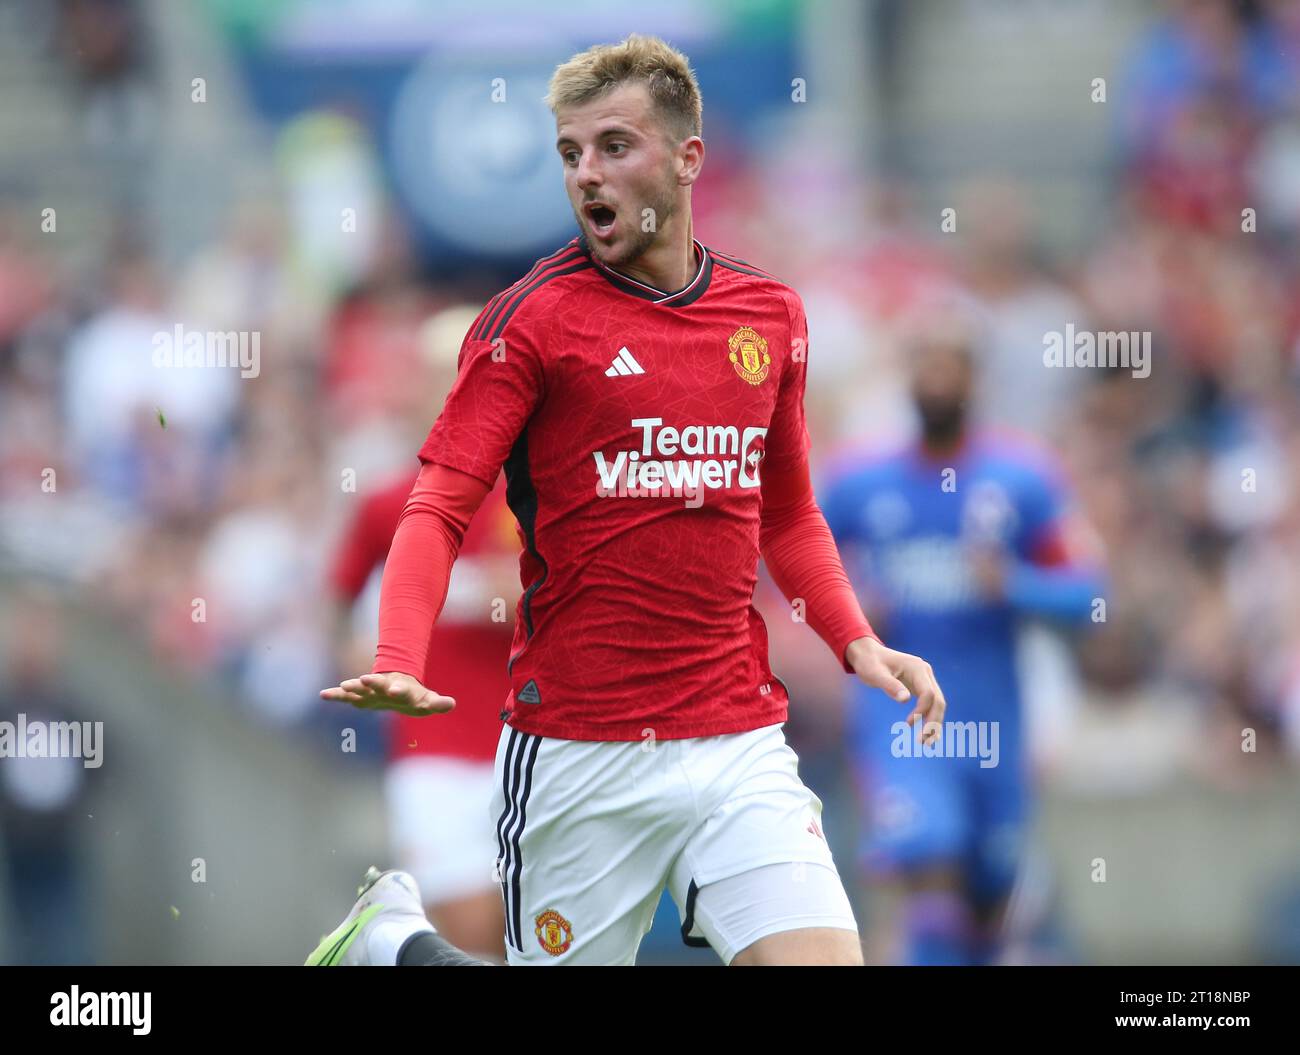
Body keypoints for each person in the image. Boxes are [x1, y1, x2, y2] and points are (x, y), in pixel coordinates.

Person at [311, 33, 944, 968]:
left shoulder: (768, 316)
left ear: (689, 158)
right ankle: (396, 941)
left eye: (613, 146)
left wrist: (857, 640)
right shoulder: (530, 324)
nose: (587, 174)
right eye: (570, 154)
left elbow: (789, 515)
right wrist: (399, 654)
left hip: (737, 737)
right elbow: (437, 506)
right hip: (581, 749)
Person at [820, 316, 1104, 965]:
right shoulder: (861, 484)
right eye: (926, 366)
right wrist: (850, 608)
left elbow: (1091, 595)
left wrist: (1015, 584)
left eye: (951, 367)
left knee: (990, 908)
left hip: (995, 724)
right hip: (901, 722)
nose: (937, 381)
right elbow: (796, 568)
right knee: (932, 881)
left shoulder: (1023, 479)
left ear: (975, 381)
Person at [325, 306, 518, 959]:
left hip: (522, 741)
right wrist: (358, 658)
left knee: (527, 925)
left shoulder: (529, 495)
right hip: (428, 746)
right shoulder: (386, 503)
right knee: (461, 923)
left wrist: (507, 592)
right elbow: (340, 608)